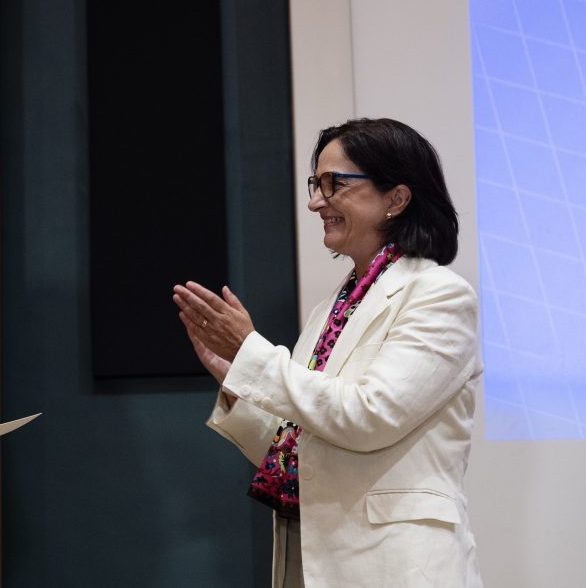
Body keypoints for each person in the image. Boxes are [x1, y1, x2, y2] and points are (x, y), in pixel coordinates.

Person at [173, 117, 482, 588]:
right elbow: (300, 450)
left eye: (334, 183)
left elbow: (368, 417)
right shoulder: (330, 308)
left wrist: (253, 355)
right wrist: (234, 378)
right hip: (313, 562)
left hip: (395, 569)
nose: (317, 201)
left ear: (396, 198)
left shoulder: (440, 295)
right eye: (316, 184)